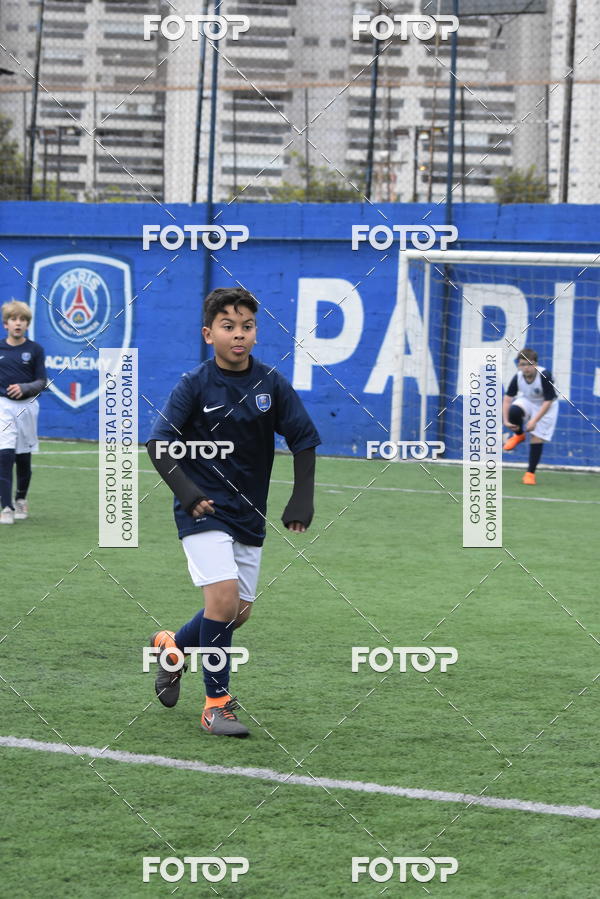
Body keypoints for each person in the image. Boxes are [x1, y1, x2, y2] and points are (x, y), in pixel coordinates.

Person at [146, 287, 321, 737]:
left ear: (256, 333)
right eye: (228, 327)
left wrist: (302, 497)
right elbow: (159, 444)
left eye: (247, 326)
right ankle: (216, 706)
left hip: (248, 513)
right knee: (222, 600)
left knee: (236, 612)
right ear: (209, 334)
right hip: (202, 509)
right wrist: (188, 493)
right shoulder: (194, 384)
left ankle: (172, 647)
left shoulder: (271, 385)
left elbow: (304, 439)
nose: (238, 334)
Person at [0, 300, 47, 524]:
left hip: (28, 407)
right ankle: (6, 507)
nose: (18, 323)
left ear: (27, 324)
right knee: (5, 454)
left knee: (23, 457)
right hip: (3, 407)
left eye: (22, 320)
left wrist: (25, 388)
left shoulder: (35, 350)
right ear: (6, 324)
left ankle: (20, 499)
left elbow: (42, 381)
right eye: (13, 319)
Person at [502, 347, 558, 485]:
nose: (526, 368)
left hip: (547, 406)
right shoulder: (518, 377)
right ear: (518, 365)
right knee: (514, 411)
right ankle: (519, 435)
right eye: (523, 364)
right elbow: (508, 399)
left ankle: (530, 474)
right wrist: (506, 421)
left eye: (529, 364)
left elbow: (548, 400)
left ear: (535, 364)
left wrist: (534, 421)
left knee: (536, 437)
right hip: (528, 400)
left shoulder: (544, 375)